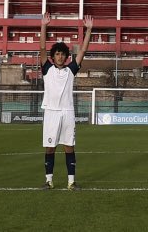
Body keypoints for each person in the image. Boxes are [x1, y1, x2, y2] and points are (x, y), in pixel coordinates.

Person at [38, 13, 94, 190]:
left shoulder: (71, 70)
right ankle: (49, 181)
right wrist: (44, 26)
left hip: (67, 112)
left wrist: (89, 30)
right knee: (50, 148)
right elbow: (41, 50)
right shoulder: (47, 69)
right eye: (57, 54)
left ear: (66, 56)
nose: (60, 57)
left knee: (69, 147)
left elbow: (83, 51)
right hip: (51, 112)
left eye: (63, 54)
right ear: (53, 57)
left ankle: (71, 182)